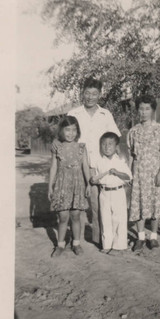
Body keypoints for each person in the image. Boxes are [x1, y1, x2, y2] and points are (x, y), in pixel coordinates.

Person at [67, 77, 121, 246]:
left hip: (100, 166)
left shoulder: (105, 114)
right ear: (82, 93)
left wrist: (117, 164)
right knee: (78, 204)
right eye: (87, 93)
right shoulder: (73, 114)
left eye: (94, 94)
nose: (90, 97)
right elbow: (67, 139)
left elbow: (114, 139)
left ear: (99, 95)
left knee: (99, 205)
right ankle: (78, 240)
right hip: (77, 164)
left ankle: (100, 238)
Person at [127, 94, 160, 252]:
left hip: (155, 172)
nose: (143, 112)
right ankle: (141, 237)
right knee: (139, 204)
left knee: (156, 203)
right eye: (141, 109)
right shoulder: (133, 131)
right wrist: (129, 173)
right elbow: (130, 153)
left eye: (147, 109)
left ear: (153, 110)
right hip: (138, 173)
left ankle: (154, 237)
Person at [48, 116, 91, 257]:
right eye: (67, 129)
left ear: (77, 131)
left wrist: (88, 184)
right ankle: (60, 245)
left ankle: (76, 244)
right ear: (62, 130)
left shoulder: (81, 147)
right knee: (63, 216)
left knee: (76, 215)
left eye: (74, 130)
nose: (71, 133)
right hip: (62, 184)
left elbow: (85, 167)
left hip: (77, 184)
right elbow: (53, 167)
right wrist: (50, 186)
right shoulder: (57, 147)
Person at [90, 132, 132, 254]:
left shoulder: (120, 161)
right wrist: (94, 180)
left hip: (118, 192)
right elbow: (95, 179)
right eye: (104, 144)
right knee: (105, 219)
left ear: (116, 146)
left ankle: (119, 246)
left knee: (119, 219)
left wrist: (117, 172)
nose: (107, 147)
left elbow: (128, 177)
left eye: (110, 144)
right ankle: (107, 244)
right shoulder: (99, 162)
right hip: (104, 192)